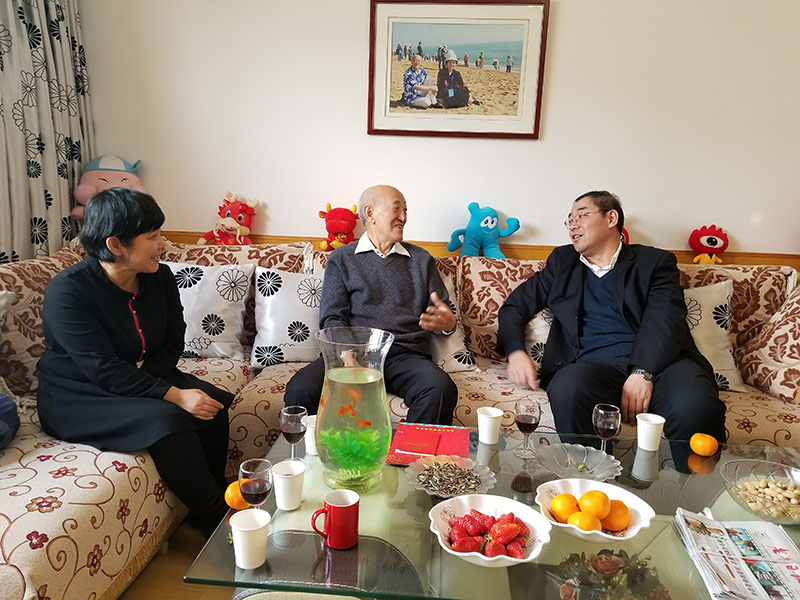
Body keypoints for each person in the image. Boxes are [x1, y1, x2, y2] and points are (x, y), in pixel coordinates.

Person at [37, 188, 233, 536]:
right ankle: (218, 521)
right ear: (115, 245)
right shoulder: (68, 292)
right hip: (78, 395)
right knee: (168, 419)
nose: (163, 244)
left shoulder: (160, 278)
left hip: (138, 376)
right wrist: (173, 395)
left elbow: (172, 341)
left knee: (213, 404)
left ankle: (211, 499)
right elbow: (102, 369)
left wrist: (158, 384)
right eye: (152, 236)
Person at [496, 190, 726, 445]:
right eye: (569, 220)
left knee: (695, 407)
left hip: (663, 367)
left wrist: (643, 372)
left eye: (582, 216)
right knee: (568, 388)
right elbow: (514, 307)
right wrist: (516, 352)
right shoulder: (562, 262)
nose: (573, 225)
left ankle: (691, 473)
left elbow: (665, 320)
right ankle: (592, 470)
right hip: (590, 369)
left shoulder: (654, 262)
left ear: (611, 218)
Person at [284, 185, 458, 425]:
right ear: (370, 213)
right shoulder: (341, 259)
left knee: (440, 389)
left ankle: (412, 450)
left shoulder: (421, 260)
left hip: (405, 355)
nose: (404, 217)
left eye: (406, 210)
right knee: (301, 389)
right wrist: (346, 355)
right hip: (352, 352)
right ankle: (311, 450)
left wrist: (448, 323)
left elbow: (442, 313)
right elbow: (332, 316)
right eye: (396, 209)